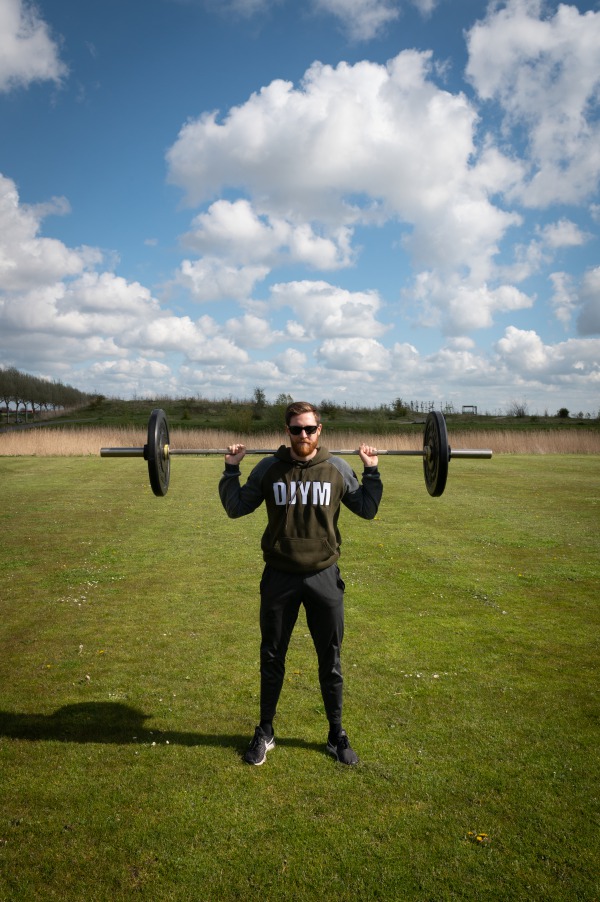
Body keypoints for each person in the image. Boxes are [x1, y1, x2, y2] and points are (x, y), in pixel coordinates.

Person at [219, 400, 383, 766]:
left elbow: (367, 509)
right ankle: (265, 731)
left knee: (331, 659)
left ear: (319, 430)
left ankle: (336, 734)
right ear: (287, 431)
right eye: (297, 429)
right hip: (279, 576)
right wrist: (231, 470)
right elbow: (236, 507)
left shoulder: (337, 468)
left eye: (310, 429)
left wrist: (371, 471)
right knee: (272, 656)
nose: (304, 435)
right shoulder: (269, 468)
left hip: (323, 576)